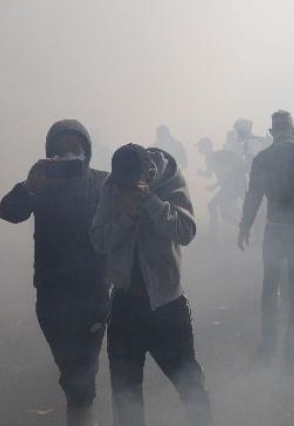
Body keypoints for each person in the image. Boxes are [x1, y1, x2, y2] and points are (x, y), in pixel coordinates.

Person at [0, 120, 110, 426]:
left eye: (76, 147)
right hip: (51, 294)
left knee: (83, 374)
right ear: (50, 153)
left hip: (93, 293)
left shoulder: (103, 183)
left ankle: (82, 411)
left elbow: (130, 215)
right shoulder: (42, 185)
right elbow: (8, 212)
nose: (70, 154)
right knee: (68, 366)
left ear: (87, 150)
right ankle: (79, 403)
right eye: (61, 149)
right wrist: (28, 187)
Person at [90, 144, 211, 426]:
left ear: (148, 173)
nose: (127, 187)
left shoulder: (170, 180)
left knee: (190, 385)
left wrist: (151, 203)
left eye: (134, 182)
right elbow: (98, 240)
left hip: (167, 303)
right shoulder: (112, 187)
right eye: (123, 183)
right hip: (124, 303)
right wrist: (126, 216)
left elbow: (186, 231)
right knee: (125, 394)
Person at [238, 111, 294, 371]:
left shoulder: (263, 158)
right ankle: (292, 354)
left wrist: (244, 226)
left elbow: (253, 195)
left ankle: (269, 345)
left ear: (271, 132)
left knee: (270, 287)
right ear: (293, 130)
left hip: (275, 230)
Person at [195, 137, 245, 239]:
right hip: (229, 186)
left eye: (200, 146)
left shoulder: (211, 157)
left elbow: (226, 176)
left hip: (229, 187)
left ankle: (213, 235)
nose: (198, 149)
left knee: (217, 208)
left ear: (205, 147)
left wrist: (213, 186)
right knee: (223, 212)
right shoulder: (212, 157)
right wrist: (201, 173)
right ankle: (244, 227)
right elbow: (209, 174)